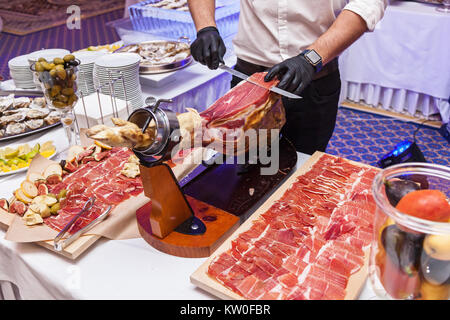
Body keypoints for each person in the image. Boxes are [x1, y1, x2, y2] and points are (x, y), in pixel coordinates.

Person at [187, 0, 387, 155]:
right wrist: (206, 27)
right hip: (250, 81)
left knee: (305, 170)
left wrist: (312, 58)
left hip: (313, 81)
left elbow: (368, 3)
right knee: (246, 171)